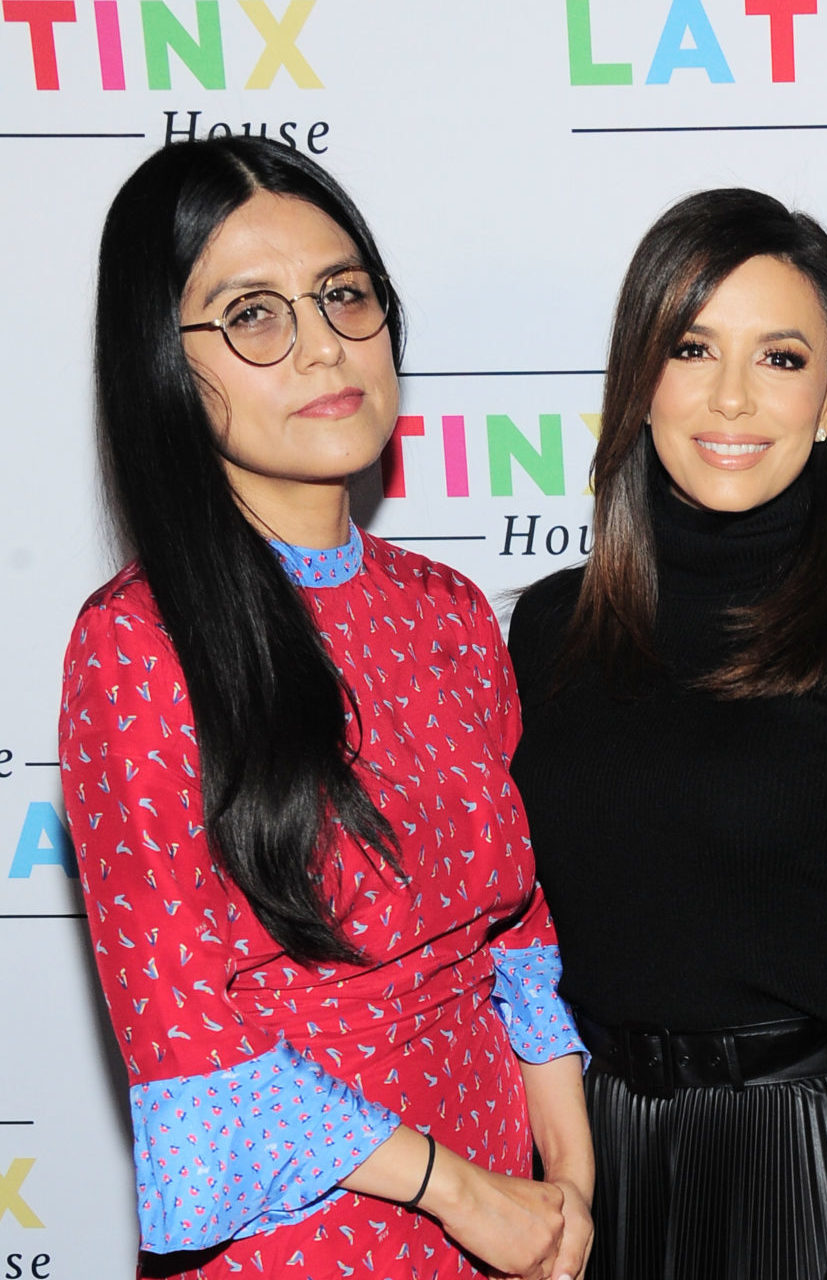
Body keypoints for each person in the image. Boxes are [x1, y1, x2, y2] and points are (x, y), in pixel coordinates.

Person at [59, 137, 593, 1280]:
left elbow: (518, 932)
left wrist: (571, 1191)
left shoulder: (449, 610)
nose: (322, 345)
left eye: (345, 295)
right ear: (164, 357)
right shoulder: (138, 646)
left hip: (506, 1206)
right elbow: (190, 1038)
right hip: (305, 1236)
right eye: (253, 315)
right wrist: (457, 1189)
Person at [507, 187, 827, 1280]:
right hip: (599, 1162)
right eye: (692, 347)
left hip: (816, 1168)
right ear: (641, 376)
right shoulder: (546, 631)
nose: (732, 397)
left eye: (779, 357)